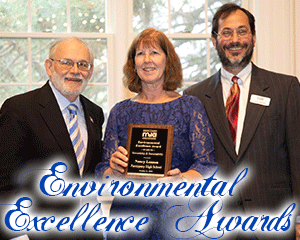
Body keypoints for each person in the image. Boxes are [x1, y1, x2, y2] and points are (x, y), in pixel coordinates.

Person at [184, 3, 300, 240]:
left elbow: (298, 158)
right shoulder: (194, 97)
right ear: (214, 41)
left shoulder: (285, 88)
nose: (235, 39)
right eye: (226, 32)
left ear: (254, 37)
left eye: (242, 31)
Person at [95, 28, 217, 239]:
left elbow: (206, 166)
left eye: (154, 52)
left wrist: (182, 179)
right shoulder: (120, 111)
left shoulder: (190, 107)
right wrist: (114, 171)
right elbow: (102, 172)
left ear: (167, 61)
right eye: (140, 54)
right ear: (133, 63)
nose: (147, 60)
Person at [0, 37, 104, 239]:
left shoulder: (95, 113)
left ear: (90, 72)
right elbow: (4, 181)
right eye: (66, 62)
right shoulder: (19, 109)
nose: (75, 70)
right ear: (49, 66)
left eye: (83, 64)